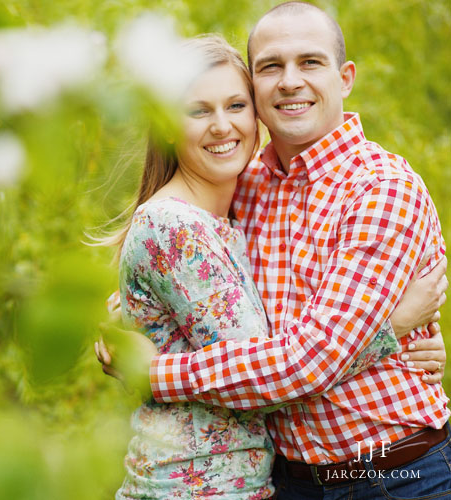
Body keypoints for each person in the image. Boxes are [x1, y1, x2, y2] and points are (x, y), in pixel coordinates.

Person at [99, 2, 451, 499]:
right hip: (286, 482)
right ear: (257, 91)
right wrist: (135, 312)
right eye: (270, 67)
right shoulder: (245, 186)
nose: (289, 81)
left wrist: (152, 370)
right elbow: (175, 264)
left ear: (345, 77)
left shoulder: (380, 190)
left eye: (309, 62)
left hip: (394, 476)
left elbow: (310, 362)